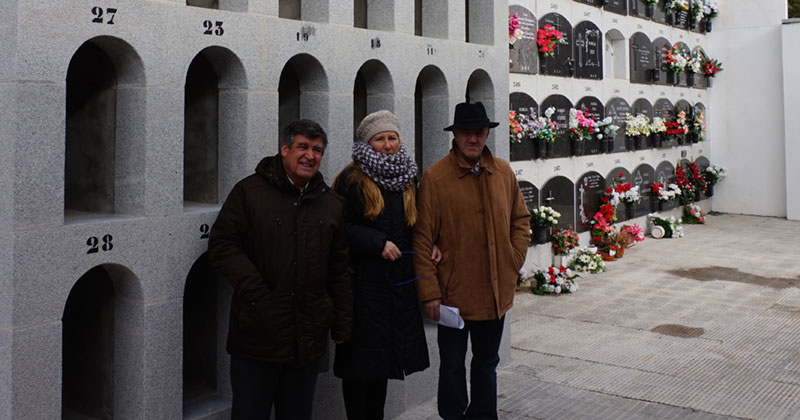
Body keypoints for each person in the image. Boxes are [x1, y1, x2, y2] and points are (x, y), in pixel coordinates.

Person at [207, 119, 353, 420]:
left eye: (317, 150)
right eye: (302, 147)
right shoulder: (249, 192)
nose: (310, 156)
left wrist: (341, 323)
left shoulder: (331, 204)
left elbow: (339, 268)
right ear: (284, 149)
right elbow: (222, 245)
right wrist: (258, 295)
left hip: (306, 342)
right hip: (257, 337)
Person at [413, 102, 531, 420]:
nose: (473, 138)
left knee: (486, 363)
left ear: (486, 134)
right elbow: (422, 239)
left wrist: (513, 260)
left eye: (478, 132)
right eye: (466, 132)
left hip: (494, 292)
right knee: (452, 366)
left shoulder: (503, 172)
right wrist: (430, 292)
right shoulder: (436, 178)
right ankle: (453, 415)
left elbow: (520, 220)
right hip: (453, 296)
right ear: (455, 135)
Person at [332, 110, 431, 420]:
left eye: (392, 138)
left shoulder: (409, 176)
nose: (387, 145)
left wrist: (432, 247)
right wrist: (377, 244)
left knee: (382, 368)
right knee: (359, 369)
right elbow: (338, 227)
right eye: (379, 139)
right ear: (367, 143)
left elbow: (415, 225)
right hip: (363, 290)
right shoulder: (351, 178)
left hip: (397, 290)